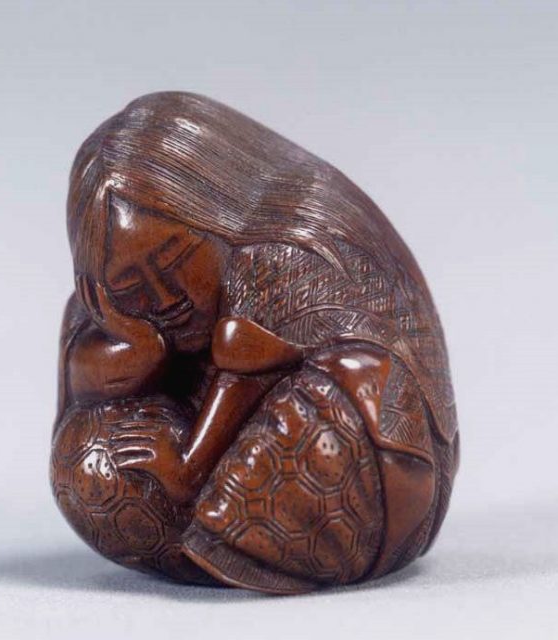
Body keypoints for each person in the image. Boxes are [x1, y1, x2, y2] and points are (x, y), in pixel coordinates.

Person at [51, 92, 459, 593]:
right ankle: (205, 534)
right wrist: (137, 344)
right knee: (93, 453)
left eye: (174, 259)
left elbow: (242, 366)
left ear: (212, 214)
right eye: (130, 286)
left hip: (375, 447)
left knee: (318, 398)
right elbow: (79, 375)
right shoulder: (119, 303)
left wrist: (188, 468)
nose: (165, 298)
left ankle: (236, 542)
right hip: (222, 441)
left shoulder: (275, 251)